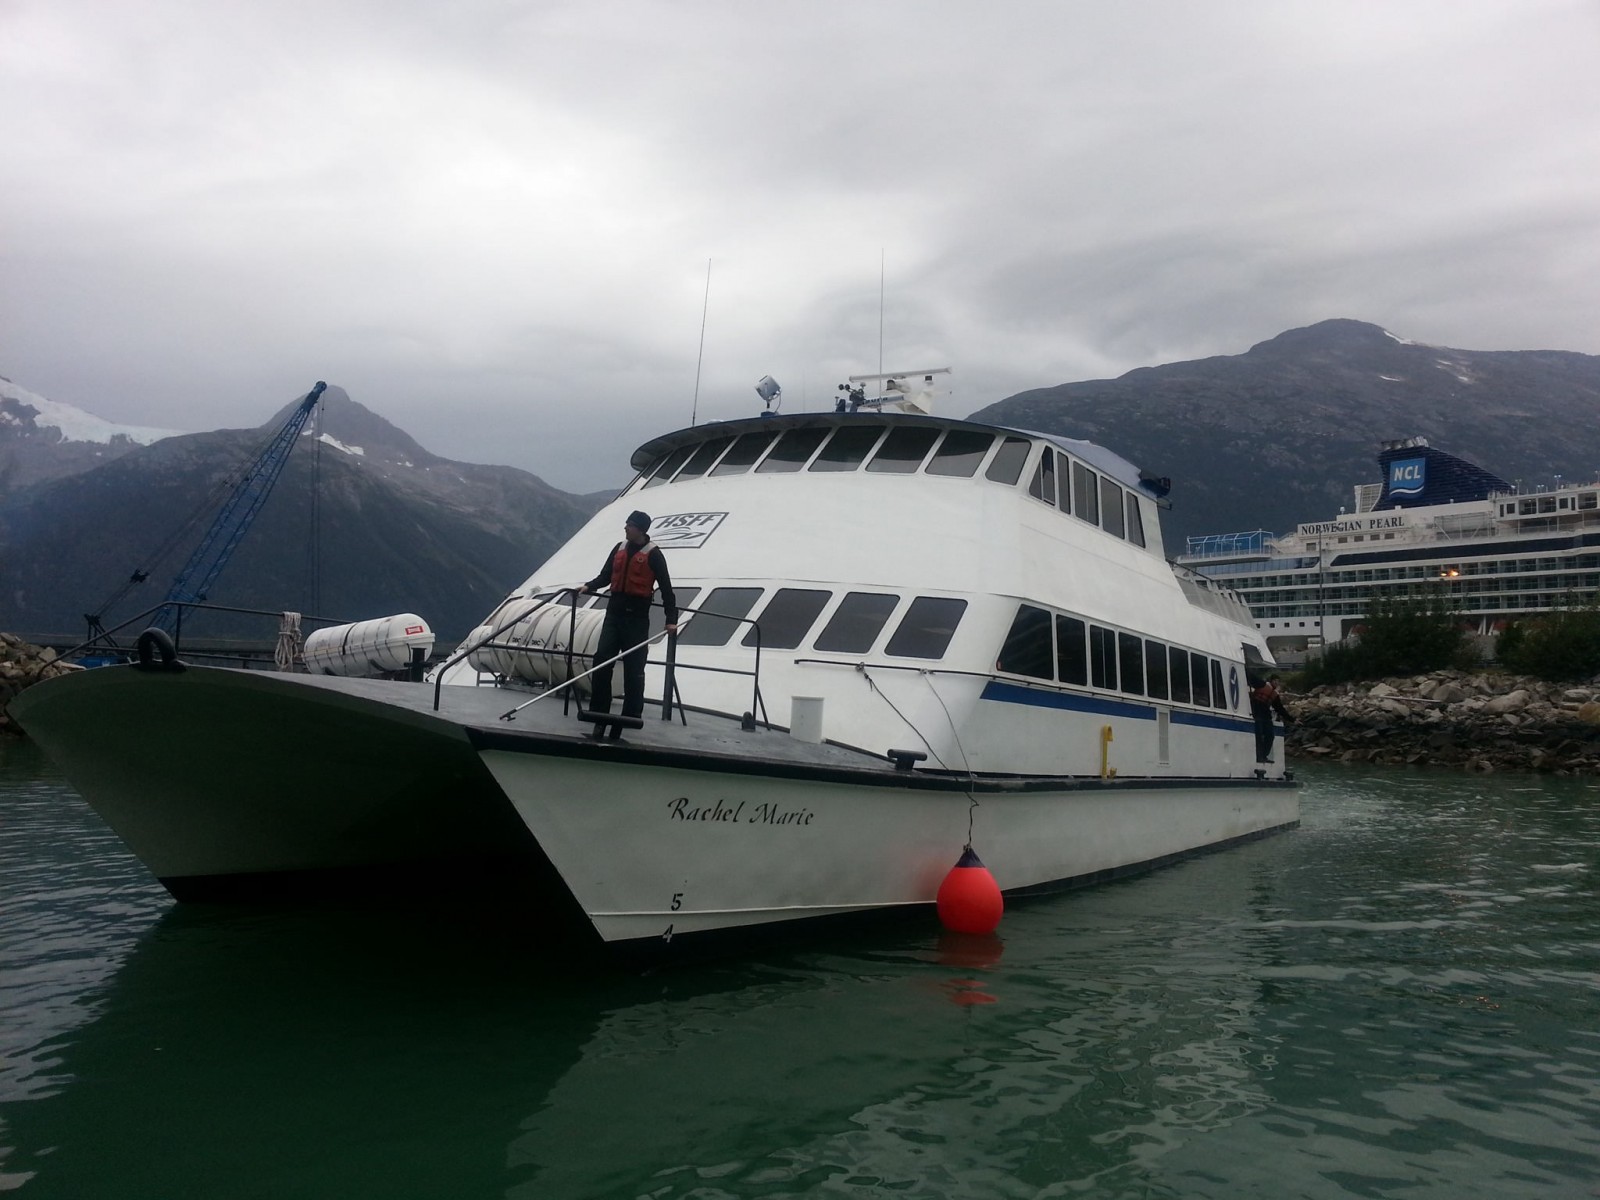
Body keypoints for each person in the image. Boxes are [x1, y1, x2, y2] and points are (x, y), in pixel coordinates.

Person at [578, 510, 678, 728]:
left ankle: (631, 714)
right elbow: (605, 576)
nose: (625, 528)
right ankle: (598, 710)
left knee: (634, 668)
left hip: (637, 619)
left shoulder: (654, 555)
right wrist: (588, 586)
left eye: (630, 525)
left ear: (640, 529)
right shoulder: (619, 548)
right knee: (602, 659)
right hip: (614, 614)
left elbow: (666, 588)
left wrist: (671, 619)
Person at [1248, 672, 1294, 764]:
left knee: (1270, 736)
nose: (1277, 683)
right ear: (1271, 681)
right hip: (1256, 714)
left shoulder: (1274, 695)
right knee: (1259, 736)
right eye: (1275, 681)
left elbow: (1280, 709)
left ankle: (1264, 755)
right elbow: (1251, 677)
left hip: (1265, 716)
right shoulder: (1261, 684)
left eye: (1278, 682)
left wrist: (1293, 720)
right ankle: (1259, 756)